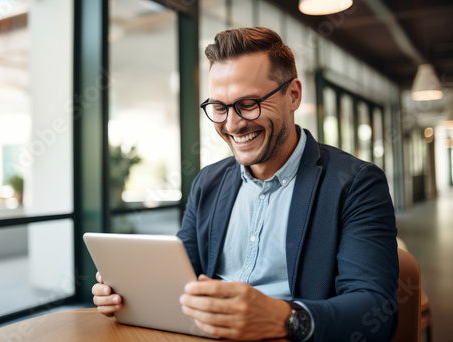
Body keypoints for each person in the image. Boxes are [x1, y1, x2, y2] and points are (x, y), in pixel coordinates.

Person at [92, 27, 398, 342]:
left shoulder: (356, 184)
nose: (233, 124)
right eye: (220, 107)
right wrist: (129, 293)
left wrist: (285, 318)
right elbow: (182, 278)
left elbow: (376, 310)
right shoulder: (208, 182)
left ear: (293, 95)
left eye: (248, 103)